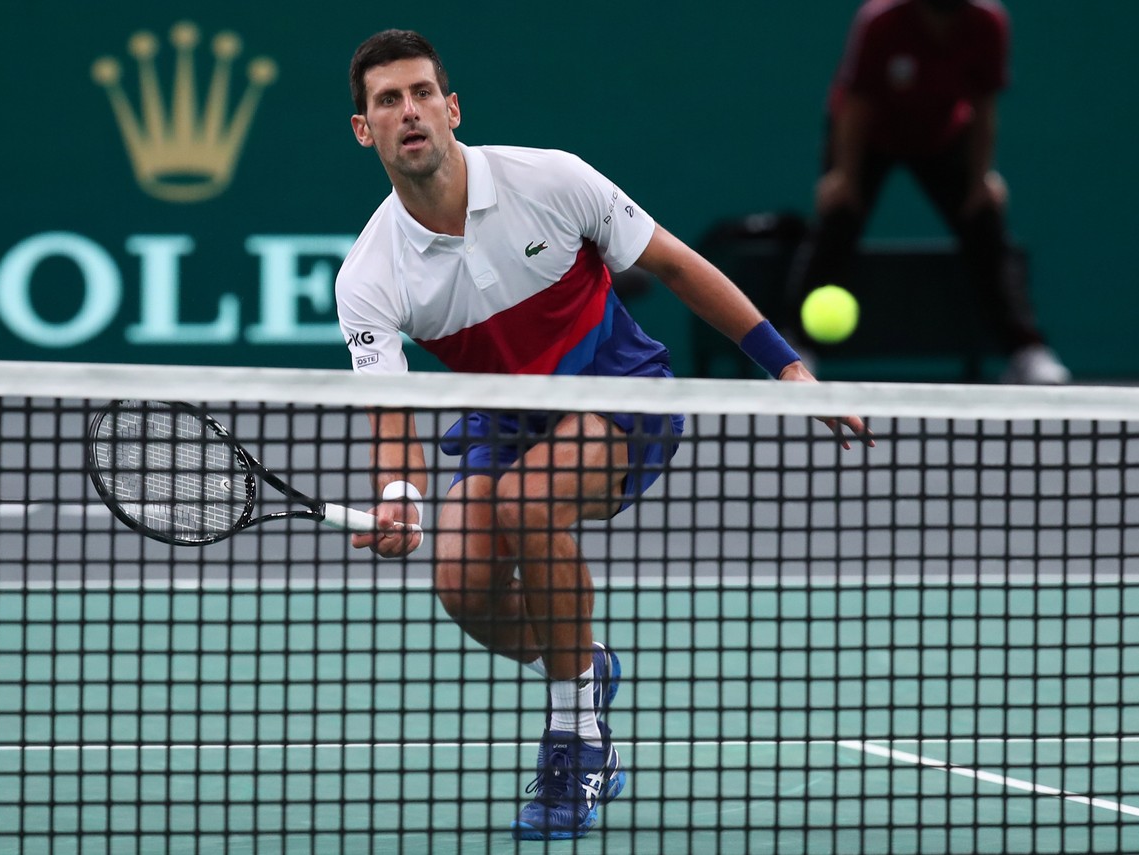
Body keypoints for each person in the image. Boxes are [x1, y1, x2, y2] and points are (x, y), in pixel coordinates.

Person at [334, 29, 870, 841]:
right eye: (386, 101)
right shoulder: (370, 274)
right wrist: (401, 497)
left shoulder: (549, 178)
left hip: (615, 389)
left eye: (419, 94)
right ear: (364, 129)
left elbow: (679, 265)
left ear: (451, 108)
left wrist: (787, 367)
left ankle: (578, 741)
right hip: (505, 417)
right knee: (461, 583)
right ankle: (587, 664)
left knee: (526, 504)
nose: (407, 112)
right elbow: (392, 420)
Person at [789, 0, 1071, 384]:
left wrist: (980, 178)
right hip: (869, 136)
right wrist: (844, 176)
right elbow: (856, 103)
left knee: (984, 223)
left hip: (942, 135)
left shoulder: (989, 22)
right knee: (837, 221)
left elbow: (984, 105)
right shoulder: (881, 21)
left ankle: (1026, 349)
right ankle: (795, 352)